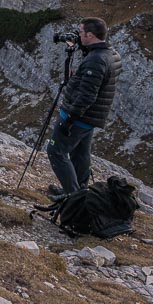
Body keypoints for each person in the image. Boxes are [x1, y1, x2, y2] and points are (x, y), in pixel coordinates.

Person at [46, 17, 121, 196]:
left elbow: (87, 95)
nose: (78, 35)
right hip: (91, 118)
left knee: (56, 151)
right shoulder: (111, 54)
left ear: (90, 35)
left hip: (79, 117)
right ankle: (77, 190)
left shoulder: (96, 60)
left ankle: (73, 198)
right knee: (80, 155)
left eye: (81, 32)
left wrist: (69, 120)